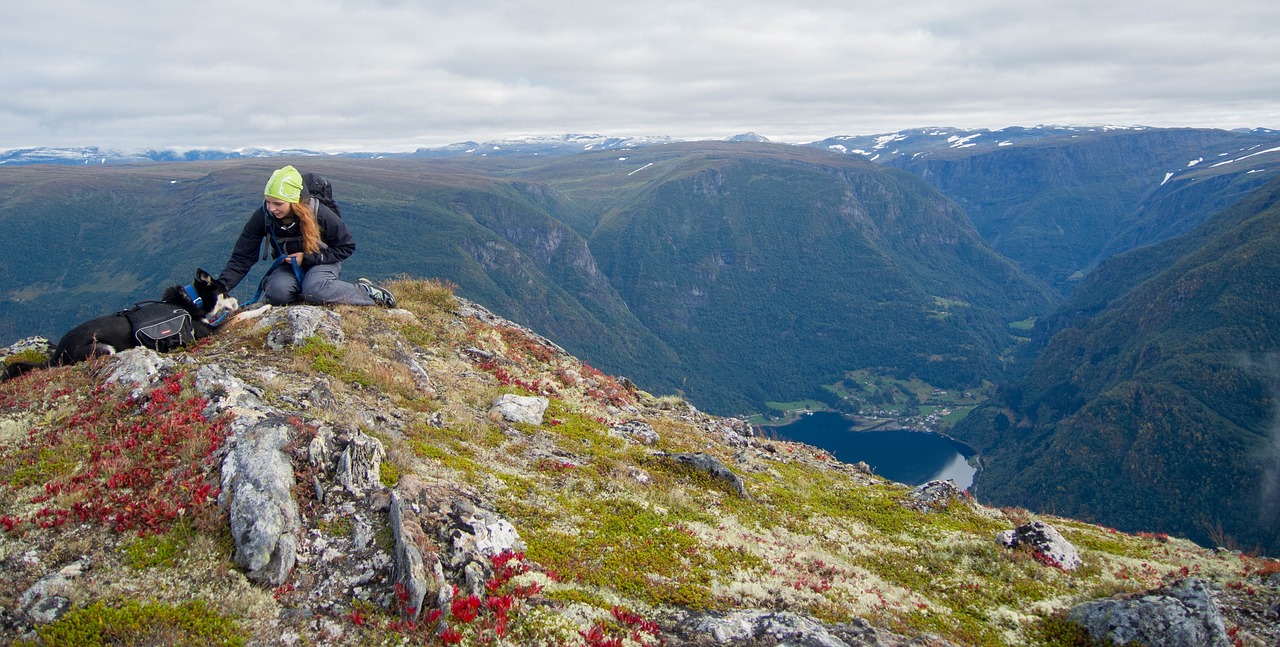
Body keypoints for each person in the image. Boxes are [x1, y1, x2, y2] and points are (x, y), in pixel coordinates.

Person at [217, 165, 396, 308]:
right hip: (288, 266)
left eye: (278, 203)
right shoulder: (263, 216)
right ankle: (309, 294)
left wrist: (309, 258)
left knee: (314, 289)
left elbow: (346, 245)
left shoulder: (319, 213)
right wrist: (220, 288)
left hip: (323, 261)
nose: (271, 208)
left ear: (295, 202)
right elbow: (242, 257)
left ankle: (365, 291)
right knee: (276, 292)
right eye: (268, 201)